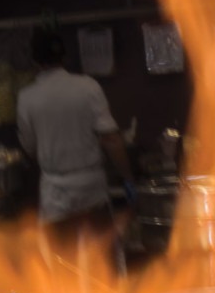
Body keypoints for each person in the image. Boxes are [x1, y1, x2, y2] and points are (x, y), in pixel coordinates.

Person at [14, 28, 135, 227]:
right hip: (91, 188)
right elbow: (111, 139)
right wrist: (128, 178)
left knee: (60, 255)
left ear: (34, 62)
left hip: (55, 192)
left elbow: (29, 148)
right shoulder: (88, 87)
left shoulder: (26, 98)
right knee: (98, 253)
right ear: (65, 57)